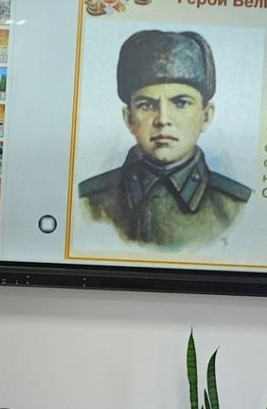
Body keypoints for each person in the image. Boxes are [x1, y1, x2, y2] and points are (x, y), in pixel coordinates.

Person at [78, 29, 251, 249]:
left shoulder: (237, 207)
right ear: (129, 118)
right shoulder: (87, 202)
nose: (162, 119)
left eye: (181, 103)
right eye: (146, 105)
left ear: (206, 116)